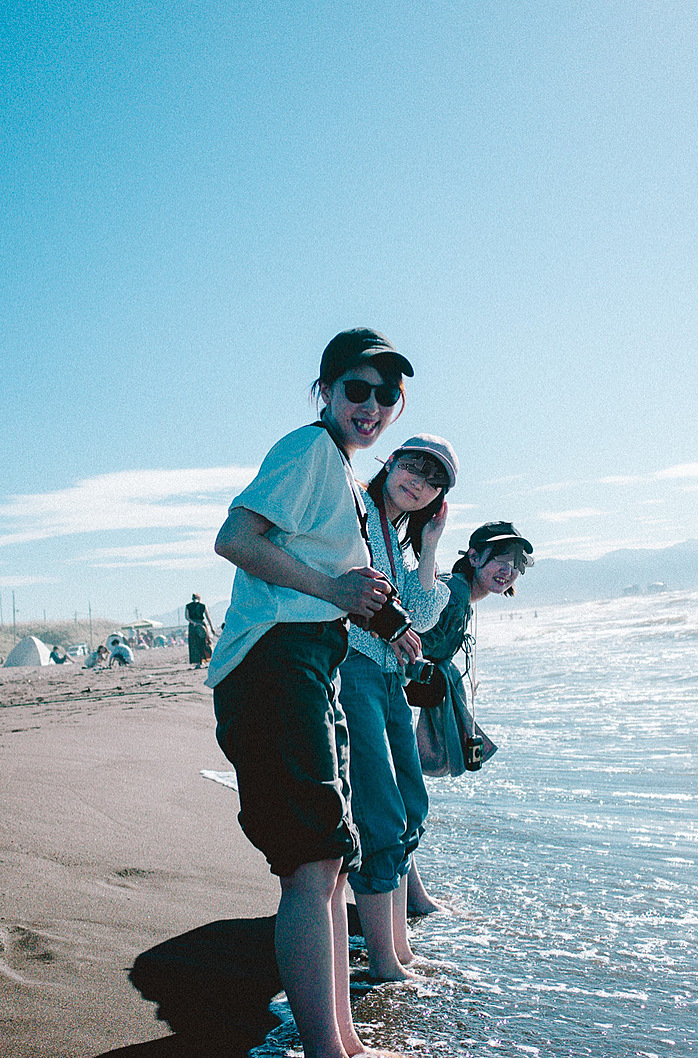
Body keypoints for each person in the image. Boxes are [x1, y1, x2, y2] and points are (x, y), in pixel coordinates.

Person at [207, 327, 414, 1058]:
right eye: (356, 389)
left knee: (327, 861)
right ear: (324, 391)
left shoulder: (342, 474)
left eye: (386, 394)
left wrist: (392, 625)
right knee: (310, 863)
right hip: (273, 663)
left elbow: (336, 579)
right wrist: (333, 588)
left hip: (308, 660)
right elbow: (235, 538)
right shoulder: (307, 449)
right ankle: (327, 1052)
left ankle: (345, 1043)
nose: (372, 405)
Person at [340, 435, 455, 981]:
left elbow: (426, 614)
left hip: (388, 678)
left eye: (432, 481)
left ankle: (400, 950)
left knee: (408, 800)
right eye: (411, 466)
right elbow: (344, 594)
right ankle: (384, 961)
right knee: (379, 809)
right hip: (352, 670)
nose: (417, 481)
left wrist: (431, 546)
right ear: (390, 462)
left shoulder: (393, 535)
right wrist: (391, 625)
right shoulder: (354, 510)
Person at [407, 521, 534, 917]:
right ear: (474, 556)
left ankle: (412, 895)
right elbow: (414, 631)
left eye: (516, 565)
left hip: (401, 696)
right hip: (390, 697)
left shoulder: (464, 594)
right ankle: (410, 898)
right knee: (404, 801)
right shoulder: (456, 591)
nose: (508, 571)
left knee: (403, 799)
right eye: (500, 559)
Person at [186, 593, 216, 668]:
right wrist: (211, 628)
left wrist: (193, 623)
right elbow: (208, 617)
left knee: (194, 644)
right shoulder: (203, 606)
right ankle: (204, 660)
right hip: (202, 624)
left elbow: (187, 617)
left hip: (193, 626)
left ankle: (198, 663)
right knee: (204, 642)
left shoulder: (188, 606)